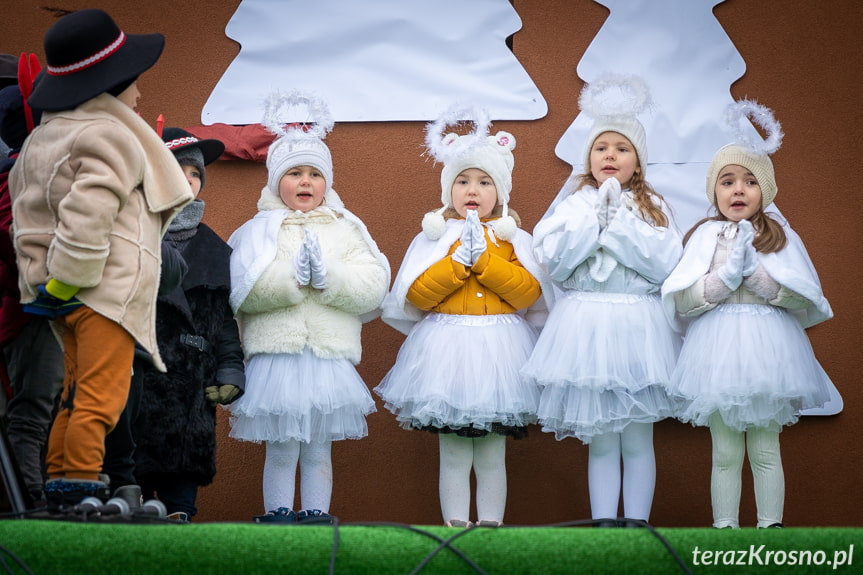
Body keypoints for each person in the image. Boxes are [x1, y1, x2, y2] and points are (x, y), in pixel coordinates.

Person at [8, 9, 194, 506]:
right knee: (101, 397)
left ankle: (61, 484)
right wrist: (71, 278)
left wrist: (51, 285)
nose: (140, 95)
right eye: (134, 84)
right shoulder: (109, 135)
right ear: (110, 87)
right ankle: (85, 485)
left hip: (58, 297)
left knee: (71, 394)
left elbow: (31, 219)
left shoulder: (41, 139)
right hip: (100, 291)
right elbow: (88, 215)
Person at [661, 100, 833, 529]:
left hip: (768, 350)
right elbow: (681, 299)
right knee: (725, 452)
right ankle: (725, 529)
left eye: (750, 181)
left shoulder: (780, 236)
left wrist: (761, 281)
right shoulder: (704, 237)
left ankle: (770, 528)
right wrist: (721, 281)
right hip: (716, 352)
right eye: (728, 181)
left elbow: (806, 298)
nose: (738, 190)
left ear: (766, 191)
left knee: (764, 450)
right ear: (714, 191)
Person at [375, 106, 550, 527]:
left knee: (492, 451)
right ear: (448, 189)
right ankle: (455, 527)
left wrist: (487, 264)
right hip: (446, 350)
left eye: (484, 181)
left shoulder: (514, 239)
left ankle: (490, 528)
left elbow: (529, 294)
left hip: (500, 352)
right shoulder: (433, 238)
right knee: (453, 451)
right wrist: (457, 264)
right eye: (463, 180)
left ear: (501, 190)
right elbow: (415, 295)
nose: (473, 189)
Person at [521, 74, 682, 526]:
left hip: (636, 328)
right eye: (601, 148)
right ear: (589, 158)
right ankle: (603, 526)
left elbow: (662, 264)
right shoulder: (573, 205)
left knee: (637, 439)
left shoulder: (655, 207)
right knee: (602, 439)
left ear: (639, 162)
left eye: (622, 148)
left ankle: (637, 526)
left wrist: (621, 224)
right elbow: (555, 261)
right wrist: (594, 220)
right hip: (586, 329)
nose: (610, 155)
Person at [228, 92, 390, 524]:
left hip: (326, 357)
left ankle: (317, 515)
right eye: (294, 173)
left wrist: (328, 278)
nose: (305, 182)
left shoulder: (346, 226)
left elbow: (373, 285)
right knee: (281, 446)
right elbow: (243, 288)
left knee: (318, 446)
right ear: (275, 181)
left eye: (314, 174)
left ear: (328, 182)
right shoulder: (257, 230)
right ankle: (278, 516)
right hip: (278, 357)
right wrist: (292, 280)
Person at [122, 127, 244, 522]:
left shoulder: (215, 248)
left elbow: (222, 321)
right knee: (130, 493)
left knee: (181, 509)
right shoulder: (131, 235)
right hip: (136, 380)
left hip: (190, 396)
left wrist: (229, 370)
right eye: (178, 171)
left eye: (195, 174)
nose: (188, 181)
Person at [0, 55, 63, 508]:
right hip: (31, 313)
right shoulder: (18, 178)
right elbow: (18, 245)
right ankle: (30, 504)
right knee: (32, 412)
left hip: (46, 310)